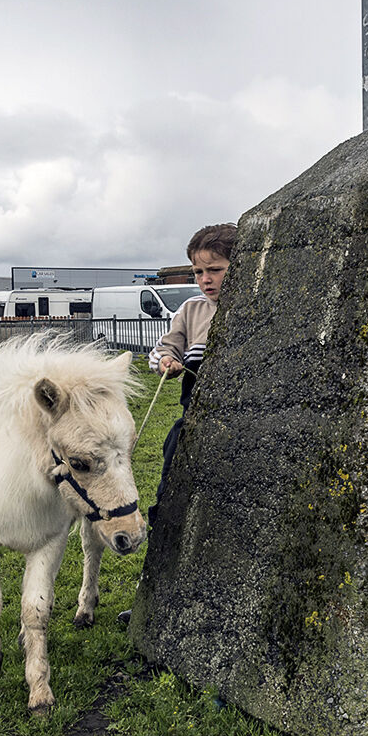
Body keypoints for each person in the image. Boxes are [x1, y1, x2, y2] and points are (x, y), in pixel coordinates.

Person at [146, 222, 237, 526]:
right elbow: (165, 348)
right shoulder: (190, 310)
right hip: (196, 412)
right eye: (198, 272)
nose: (206, 279)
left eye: (215, 269)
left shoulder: (249, 308)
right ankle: (164, 515)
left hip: (237, 414)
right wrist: (167, 363)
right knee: (174, 449)